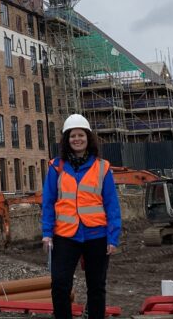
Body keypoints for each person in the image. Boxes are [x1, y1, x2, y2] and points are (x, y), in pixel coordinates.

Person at [41, 114, 121, 319]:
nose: (77, 139)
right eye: (72, 136)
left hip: (97, 236)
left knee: (96, 287)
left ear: (88, 138)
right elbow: (48, 202)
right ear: (66, 140)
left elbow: (112, 205)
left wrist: (113, 237)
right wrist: (47, 233)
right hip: (66, 236)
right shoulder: (56, 167)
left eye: (81, 135)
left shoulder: (102, 167)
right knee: (60, 284)